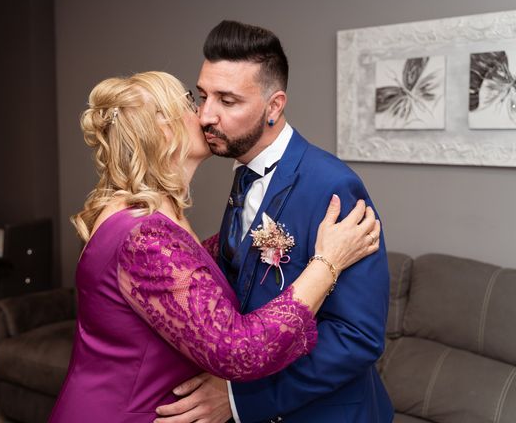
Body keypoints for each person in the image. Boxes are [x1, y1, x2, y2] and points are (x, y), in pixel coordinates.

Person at [48, 71, 381, 423]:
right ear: (164, 132)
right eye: (192, 103)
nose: (206, 115)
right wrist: (328, 261)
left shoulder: (153, 215)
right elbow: (238, 351)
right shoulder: (145, 237)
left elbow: (200, 272)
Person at [155, 21, 393, 423]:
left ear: (274, 106)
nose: (205, 115)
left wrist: (237, 398)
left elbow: (359, 336)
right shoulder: (244, 172)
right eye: (203, 96)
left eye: (227, 101)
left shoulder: (333, 186)